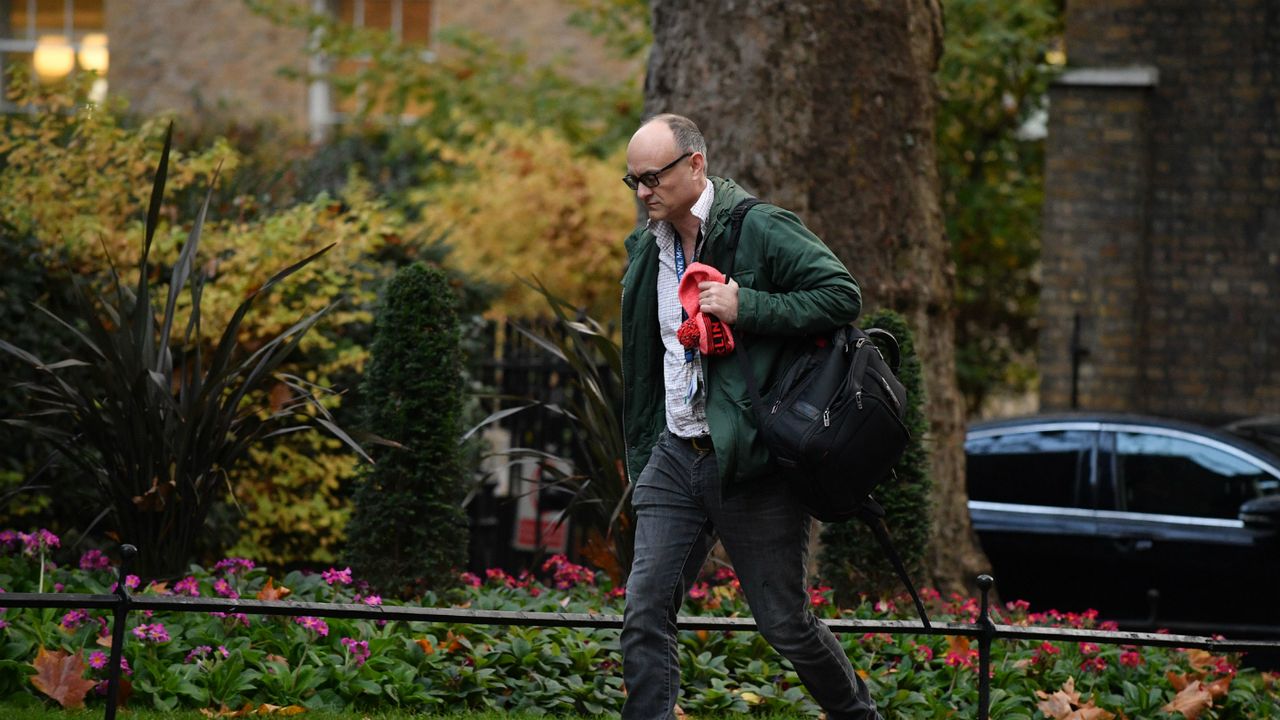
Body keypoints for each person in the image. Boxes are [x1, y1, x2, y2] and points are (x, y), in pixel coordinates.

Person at [618, 113, 882, 719]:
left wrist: (747, 304)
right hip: (676, 453)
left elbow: (841, 295)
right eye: (632, 181)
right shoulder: (647, 251)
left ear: (695, 165)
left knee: (786, 625)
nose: (642, 192)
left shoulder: (760, 228)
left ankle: (857, 716)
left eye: (652, 177)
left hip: (752, 462)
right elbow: (644, 358)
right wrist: (646, 446)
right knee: (643, 613)